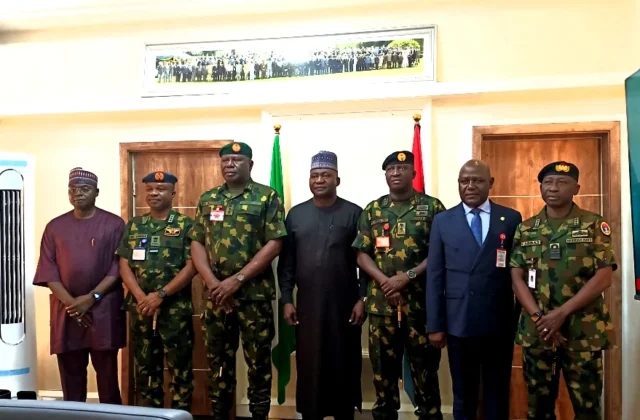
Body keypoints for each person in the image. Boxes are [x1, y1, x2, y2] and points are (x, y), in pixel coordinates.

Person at [510, 161, 617, 420]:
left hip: (582, 332)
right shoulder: (526, 228)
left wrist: (561, 313)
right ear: (541, 188)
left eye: (562, 182)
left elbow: (604, 276)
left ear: (576, 188)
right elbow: (516, 277)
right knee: (538, 408)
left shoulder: (593, 224)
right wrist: (540, 318)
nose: (554, 188)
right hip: (538, 333)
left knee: (587, 408)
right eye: (548, 182)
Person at [188, 142, 287, 420]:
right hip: (216, 298)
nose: (230, 165)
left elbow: (275, 243)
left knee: (258, 364)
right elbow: (196, 242)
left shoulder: (267, 197)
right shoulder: (208, 198)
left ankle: (259, 415)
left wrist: (238, 279)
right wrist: (212, 282)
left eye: (237, 160)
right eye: (225, 160)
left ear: (250, 164)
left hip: (254, 296)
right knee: (218, 364)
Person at [352, 151, 446, 420]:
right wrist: (386, 282)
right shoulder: (373, 209)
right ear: (385, 175)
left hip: (420, 306)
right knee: (383, 375)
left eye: (402, 168)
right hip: (381, 307)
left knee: (425, 374)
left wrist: (409, 276)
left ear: (413, 174)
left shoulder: (433, 207)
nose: (396, 173)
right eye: (391, 169)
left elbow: (440, 252)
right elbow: (361, 254)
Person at [426, 160, 522, 420]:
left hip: (498, 320)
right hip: (459, 320)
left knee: (497, 391)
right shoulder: (443, 221)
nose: (470, 186)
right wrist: (435, 325)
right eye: (464, 181)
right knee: (464, 393)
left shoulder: (510, 218)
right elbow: (435, 276)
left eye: (477, 180)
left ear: (490, 183)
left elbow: (518, 272)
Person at [278, 151, 367, 420]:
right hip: (307, 306)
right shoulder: (296, 214)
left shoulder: (355, 213)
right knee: (310, 362)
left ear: (337, 180)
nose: (319, 180)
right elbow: (287, 263)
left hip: (344, 305)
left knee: (343, 361)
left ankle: (343, 413)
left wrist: (362, 298)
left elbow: (365, 259)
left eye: (326, 175)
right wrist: (286, 299)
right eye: (314, 176)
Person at [32, 167, 126, 404]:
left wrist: (91, 299)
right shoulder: (55, 227)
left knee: (107, 379)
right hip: (67, 311)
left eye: (84, 189)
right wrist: (74, 305)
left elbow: (118, 267)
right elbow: (48, 270)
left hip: (103, 310)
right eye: (72, 190)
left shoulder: (114, 224)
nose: (78, 194)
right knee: (71, 379)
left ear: (97, 192)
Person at [116, 171, 195, 411]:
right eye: (149, 189)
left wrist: (160, 295)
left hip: (175, 309)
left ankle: (180, 415)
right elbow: (124, 264)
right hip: (141, 310)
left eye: (160, 189)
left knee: (180, 369)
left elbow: (192, 265)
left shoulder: (186, 225)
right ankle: (151, 415)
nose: (154, 193)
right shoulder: (135, 225)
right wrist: (142, 298)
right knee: (145, 369)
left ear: (173, 193)